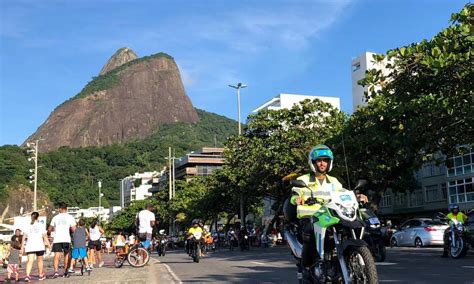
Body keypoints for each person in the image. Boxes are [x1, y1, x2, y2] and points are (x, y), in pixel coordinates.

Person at [287, 145, 368, 269]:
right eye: (319, 160)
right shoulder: (303, 179)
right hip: (310, 216)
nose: (322, 163)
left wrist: (357, 196)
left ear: (329, 163)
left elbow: (344, 194)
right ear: (313, 162)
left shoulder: (334, 181)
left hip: (328, 216)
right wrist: (297, 199)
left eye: (325, 160)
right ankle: (306, 266)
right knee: (309, 232)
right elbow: (294, 194)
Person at [48, 203, 76, 278]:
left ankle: (56, 272)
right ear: (66, 209)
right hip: (66, 239)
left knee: (57, 255)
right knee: (66, 255)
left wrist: (48, 233)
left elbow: (49, 229)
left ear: (60, 209)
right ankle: (65, 271)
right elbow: (74, 229)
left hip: (57, 239)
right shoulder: (70, 217)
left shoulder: (55, 217)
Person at [21, 211, 50, 282]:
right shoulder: (40, 225)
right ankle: (40, 275)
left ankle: (27, 276)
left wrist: (22, 245)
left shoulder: (28, 225)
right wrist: (49, 245)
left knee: (30, 261)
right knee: (40, 260)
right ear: (38, 217)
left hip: (30, 245)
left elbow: (24, 236)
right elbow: (45, 236)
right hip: (39, 245)